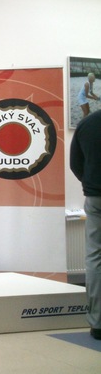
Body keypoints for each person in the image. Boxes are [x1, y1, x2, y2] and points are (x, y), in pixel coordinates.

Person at [69, 109, 101, 340]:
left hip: (96, 197)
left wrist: (90, 184)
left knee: (95, 257)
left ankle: (98, 322)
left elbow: (75, 164)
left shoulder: (87, 123)